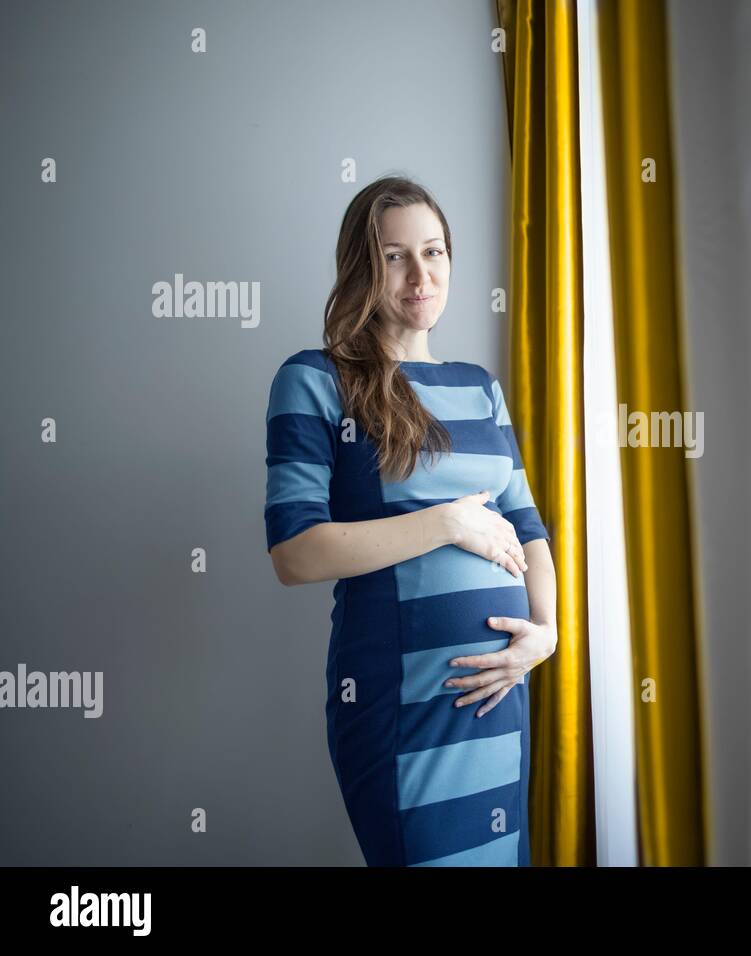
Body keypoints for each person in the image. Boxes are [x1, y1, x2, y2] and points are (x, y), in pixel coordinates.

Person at [263, 177, 557, 866]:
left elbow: (528, 526)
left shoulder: (480, 386)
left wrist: (544, 636)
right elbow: (294, 552)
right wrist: (447, 523)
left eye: (435, 251)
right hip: (400, 700)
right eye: (395, 256)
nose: (420, 274)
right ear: (361, 268)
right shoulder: (314, 380)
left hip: (499, 693)